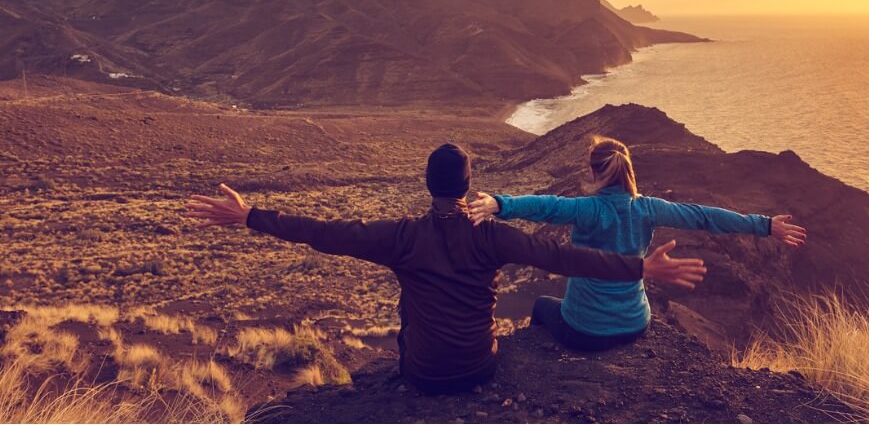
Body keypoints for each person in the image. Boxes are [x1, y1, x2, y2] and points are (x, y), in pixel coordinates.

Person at [186, 142, 707, 394]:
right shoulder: (493, 235)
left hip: (423, 375)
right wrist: (641, 268)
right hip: (480, 366)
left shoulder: (403, 236)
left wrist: (249, 215)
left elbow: (323, 232)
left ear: (427, 184)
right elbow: (565, 257)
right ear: (466, 187)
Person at [467, 135, 807, 352]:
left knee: (542, 304)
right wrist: (764, 225)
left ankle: (539, 361)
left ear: (594, 171)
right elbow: (704, 216)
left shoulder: (585, 209)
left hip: (585, 330)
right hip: (635, 324)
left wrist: (500, 203)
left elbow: (546, 206)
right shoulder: (649, 208)